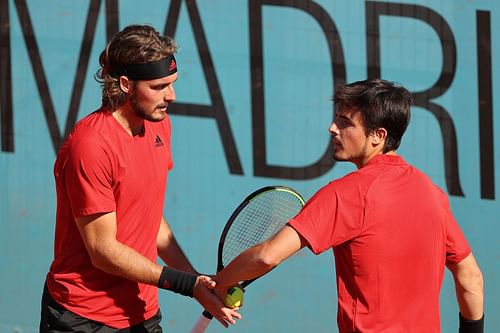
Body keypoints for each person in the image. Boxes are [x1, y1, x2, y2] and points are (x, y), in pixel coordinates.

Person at [213, 79, 484, 333]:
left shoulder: (345, 194)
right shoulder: (433, 195)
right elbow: (471, 279)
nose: (332, 128)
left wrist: (220, 283)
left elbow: (266, 256)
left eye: (345, 122)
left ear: (378, 135)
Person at [40, 24, 241, 332]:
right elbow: (102, 251)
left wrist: (199, 284)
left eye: (172, 84)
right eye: (159, 87)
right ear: (125, 84)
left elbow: (151, 220)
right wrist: (185, 284)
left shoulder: (159, 125)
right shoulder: (91, 146)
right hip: (82, 318)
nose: (171, 96)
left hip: (142, 312)